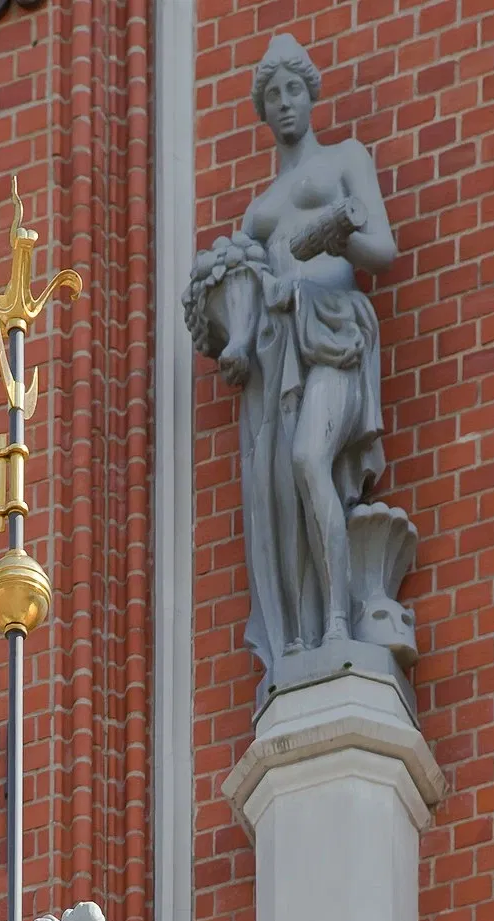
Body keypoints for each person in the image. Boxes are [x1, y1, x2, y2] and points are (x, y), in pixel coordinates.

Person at [185, 35, 397, 678]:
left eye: (293, 90)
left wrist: (341, 234)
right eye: (272, 95)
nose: (284, 104)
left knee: (311, 459)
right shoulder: (258, 214)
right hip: (281, 353)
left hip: (334, 331)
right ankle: (303, 627)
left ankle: (339, 619)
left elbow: (382, 252)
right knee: (282, 491)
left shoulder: (344, 161)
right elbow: (236, 286)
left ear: (312, 95)